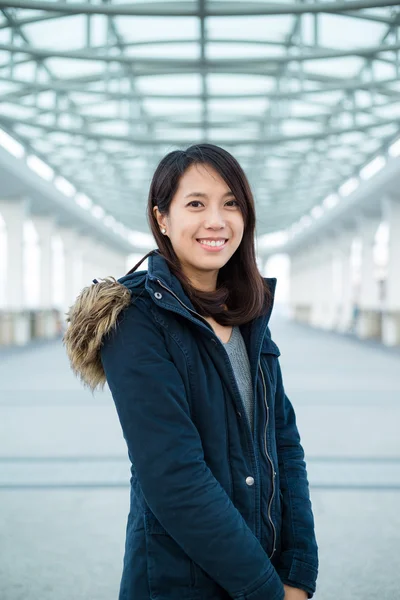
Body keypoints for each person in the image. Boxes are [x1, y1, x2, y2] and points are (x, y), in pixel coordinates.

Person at [64, 143, 319, 600]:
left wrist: (299, 571)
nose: (216, 221)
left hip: (264, 565)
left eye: (231, 203)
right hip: (179, 580)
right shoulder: (137, 318)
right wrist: (267, 591)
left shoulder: (246, 312)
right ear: (162, 218)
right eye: (196, 204)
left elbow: (285, 445)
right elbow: (174, 479)